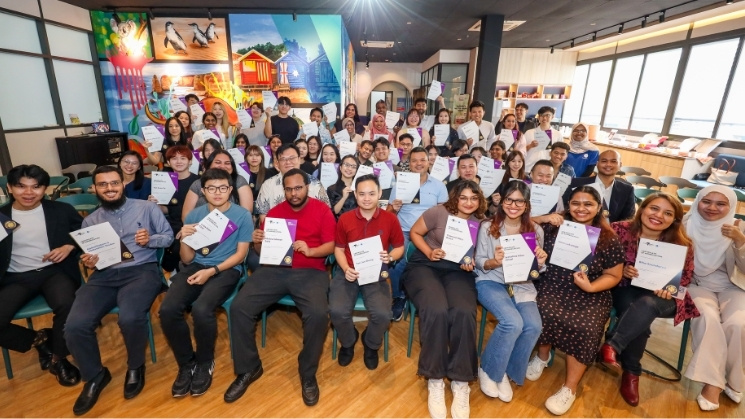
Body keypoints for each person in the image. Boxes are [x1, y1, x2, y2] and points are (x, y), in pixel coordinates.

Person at [65, 166, 173, 415]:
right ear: (95, 189)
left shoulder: (147, 208)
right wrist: (88, 260)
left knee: (130, 317)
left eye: (114, 183)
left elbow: (168, 237)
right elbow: (88, 256)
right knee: (75, 325)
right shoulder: (90, 220)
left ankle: (136, 366)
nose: (110, 188)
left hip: (141, 270)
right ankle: (94, 376)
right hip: (103, 275)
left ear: (123, 184)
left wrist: (151, 240)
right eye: (103, 185)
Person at [225, 169, 336, 406]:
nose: (294, 193)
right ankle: (249, 368)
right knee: (239, 307)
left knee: (318, 315)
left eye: (298, 188)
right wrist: (257, 242)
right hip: (275, 270)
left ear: (308, 187)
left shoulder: (322, 210)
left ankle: (307, 373)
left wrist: (311, 250)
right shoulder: (275, 212)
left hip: (310, 271)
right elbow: (260, 253)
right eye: (289, 189)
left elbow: (330, 246)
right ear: (283, 189)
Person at [529, 186, 624, 416]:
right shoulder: (554, 225)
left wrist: (590, 286)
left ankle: (569, 388)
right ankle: (542, 357)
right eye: (576, 203)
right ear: (568, 205)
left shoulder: (608, 238)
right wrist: (546, 217)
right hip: (552, 282)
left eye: (588, 204)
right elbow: (524, 223)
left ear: (599, 207)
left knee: (585, 326)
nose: (581, 208)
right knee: (540, 310)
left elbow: (614, 275)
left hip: (589, 291)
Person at [159, 168, 253, 398]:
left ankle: (204, 361)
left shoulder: (242, 215)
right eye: (211, 188)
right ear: (203, 191)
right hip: (196, 266)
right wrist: (184, 238)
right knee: (168, 309)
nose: (217, 192)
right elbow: (187, 259)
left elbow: (241, 255)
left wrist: (212, 271)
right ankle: (186, 362)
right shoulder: (194, 216)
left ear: (230, 190)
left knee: (202, 310)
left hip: (227, 269)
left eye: (223, 188)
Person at [599, 192, 698, 406]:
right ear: (642, 209)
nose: (659, 215)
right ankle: (632, 372)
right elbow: (601, 260)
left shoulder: (683, 244)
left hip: (663, 298)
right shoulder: (618, 230)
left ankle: (613, 345)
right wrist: (621, 270)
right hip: (626, 288)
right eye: (654, 208)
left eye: (668, 213)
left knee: (647, 304)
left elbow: (686, 280)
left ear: (675, 220)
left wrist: (670, 290)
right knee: (637, 310)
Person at [404, 180, 487, 419]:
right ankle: (435, 378)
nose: (469, 202)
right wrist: (430, 251)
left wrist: (471, 261)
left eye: (474, 198)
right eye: (464, 197)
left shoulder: (480, 224)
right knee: (436, 309)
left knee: (463, 311)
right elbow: (415, 233)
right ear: (455, 198)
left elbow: (481, 255)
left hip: (458, 272)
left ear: (479, 200)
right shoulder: (438, 212)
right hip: (426, 266)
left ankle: (461, 381)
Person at [0, 164, 83, 387]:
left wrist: (69, 246)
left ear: (45, 189)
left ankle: (59, 358)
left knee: (68, 304)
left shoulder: (61, 210)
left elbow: (85, 235)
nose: (29, 193)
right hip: (15, 276)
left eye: (36, 187)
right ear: (9, 187)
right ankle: (39, 339)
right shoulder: (0, 217)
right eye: (21, 187)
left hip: (53, 272)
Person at [475, 180, 547, 403]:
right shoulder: (488, 226)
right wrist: (494, 262)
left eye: (519, 201)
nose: (513, 205)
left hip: (522, 285)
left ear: (526, 205)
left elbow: (536, 269)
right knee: (512, 322)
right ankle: (488, 370)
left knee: (533, 326)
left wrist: (541, 263)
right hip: (491, 281)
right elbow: (478, 262)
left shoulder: (536, 231)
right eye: (509, 199)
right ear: (501, 201)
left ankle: (504, 370)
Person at [330, 174, 405, 369]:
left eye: (372, 193)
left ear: (379, 193)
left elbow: (399, 247)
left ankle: (371, 344)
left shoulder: (390, 219)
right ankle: (348, 341)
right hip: (349, 272)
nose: (366, 198)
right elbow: (338, 249)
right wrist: (346, 268)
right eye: (362, 194)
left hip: (377, 274)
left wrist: (391, 257)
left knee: (382, 314)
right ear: (355, 195)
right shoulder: (345, 219)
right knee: (336, 311)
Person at [682, 186, 745, 411]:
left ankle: (734, 380)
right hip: (697, 284)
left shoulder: (739, 227)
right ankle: (713, 384)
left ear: (731, 207)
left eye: (721, 204)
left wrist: (740, 242)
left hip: (734, 286)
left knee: (739, 324)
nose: (712, 208)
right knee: (707, 318)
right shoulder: (685, 225)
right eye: (706, 201)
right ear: (697, 200)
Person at [387, 147, 449, 321]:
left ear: (429, 161)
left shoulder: (439, 186)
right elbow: (388, 215)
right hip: (403, 231)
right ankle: (399, 296)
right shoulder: (400, 184)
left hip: (429, 233)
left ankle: (424, 297)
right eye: (414, 161)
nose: (418, 164)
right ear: (409, 164)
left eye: (422, 160)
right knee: (396, 261)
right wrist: (394, 207)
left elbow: (444, 215)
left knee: (428, 263)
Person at [255, 143, 331, 223]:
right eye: (283, 159)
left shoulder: (315, 183)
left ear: (299, 159)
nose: (288, 162)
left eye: (292, 158)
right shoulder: (268, 185)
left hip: (310, 231)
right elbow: (263, 217)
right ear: (277, 163)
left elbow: (325, 212)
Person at [160, 146, 200, 274]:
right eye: (174, 158)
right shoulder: (164, 182)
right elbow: (167, 210)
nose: (178, 162)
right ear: (168, 162)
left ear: (190, 161)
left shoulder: (198, 182)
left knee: (179, 246)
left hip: (194, 224)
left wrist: (186, 227)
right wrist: (155, 204)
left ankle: (180, 274)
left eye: (183, 158)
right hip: (171, 224)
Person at [181, 150, 254, 222]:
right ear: (209, 165)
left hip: (233, 227)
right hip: (200, 228)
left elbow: (246, 212)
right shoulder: (198, 184)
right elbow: (186, 217)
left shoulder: (239, 181)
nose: (222, 166)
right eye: (218, 162)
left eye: (227, 163)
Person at [565, 150, 635, 223]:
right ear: (597, 164)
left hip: (610, 231)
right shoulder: (577, 183)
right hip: (579, 228)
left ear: (620, 165)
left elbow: (628, 219)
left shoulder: (627, 190)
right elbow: (564, 207)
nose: (608, 164)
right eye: (604, 161)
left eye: (613, 161)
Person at [523, 106, 561, 172]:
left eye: (548, 115)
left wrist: (552, 152)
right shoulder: (529, 132)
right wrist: (530, 146)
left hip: (548, 169)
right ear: (538, 117)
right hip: (529, 168)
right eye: (541, 115)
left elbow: (560, 153)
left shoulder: (557, 134)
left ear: (552, 117)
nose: (544, 118)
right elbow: (521, 151)